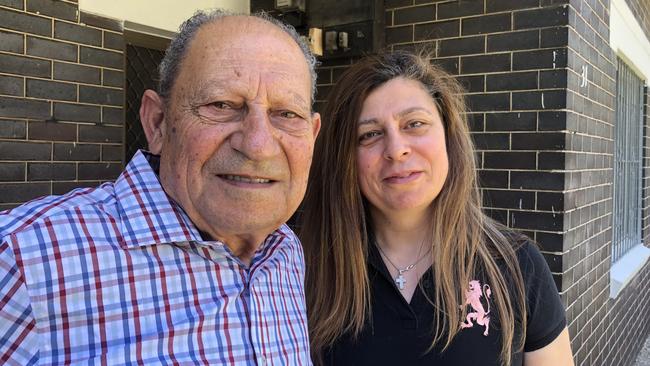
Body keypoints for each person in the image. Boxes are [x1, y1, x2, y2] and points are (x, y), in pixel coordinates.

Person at [0, 9, 320, 364]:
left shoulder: (283, 249)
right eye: (221, 105)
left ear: (312, 134)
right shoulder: (21, 262)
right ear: (157, 123)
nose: (258, 145)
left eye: (287, 114)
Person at [300, 51, 574, 366]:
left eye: (415, 124)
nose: (397, 149)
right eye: (370, 134)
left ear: (447, 135)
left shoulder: (517, 265)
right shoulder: (309, 272)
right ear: (345, 156)